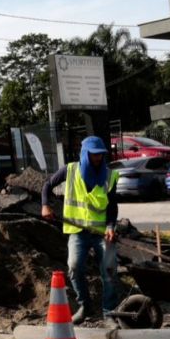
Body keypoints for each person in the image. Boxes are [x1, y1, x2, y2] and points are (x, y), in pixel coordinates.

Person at [40, 135, 120, 325]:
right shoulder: (70, 170)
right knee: (74, 267)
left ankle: (109, 313)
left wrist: (110, 226)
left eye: (100, 155)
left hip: (101, 233)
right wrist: (45, 205)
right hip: (77, 231)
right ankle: (85, 307)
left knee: (109, 270)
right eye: (94, 155)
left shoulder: (109, 175)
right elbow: (47, 185)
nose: (98, 158)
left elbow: (112, 206)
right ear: (85, 154)